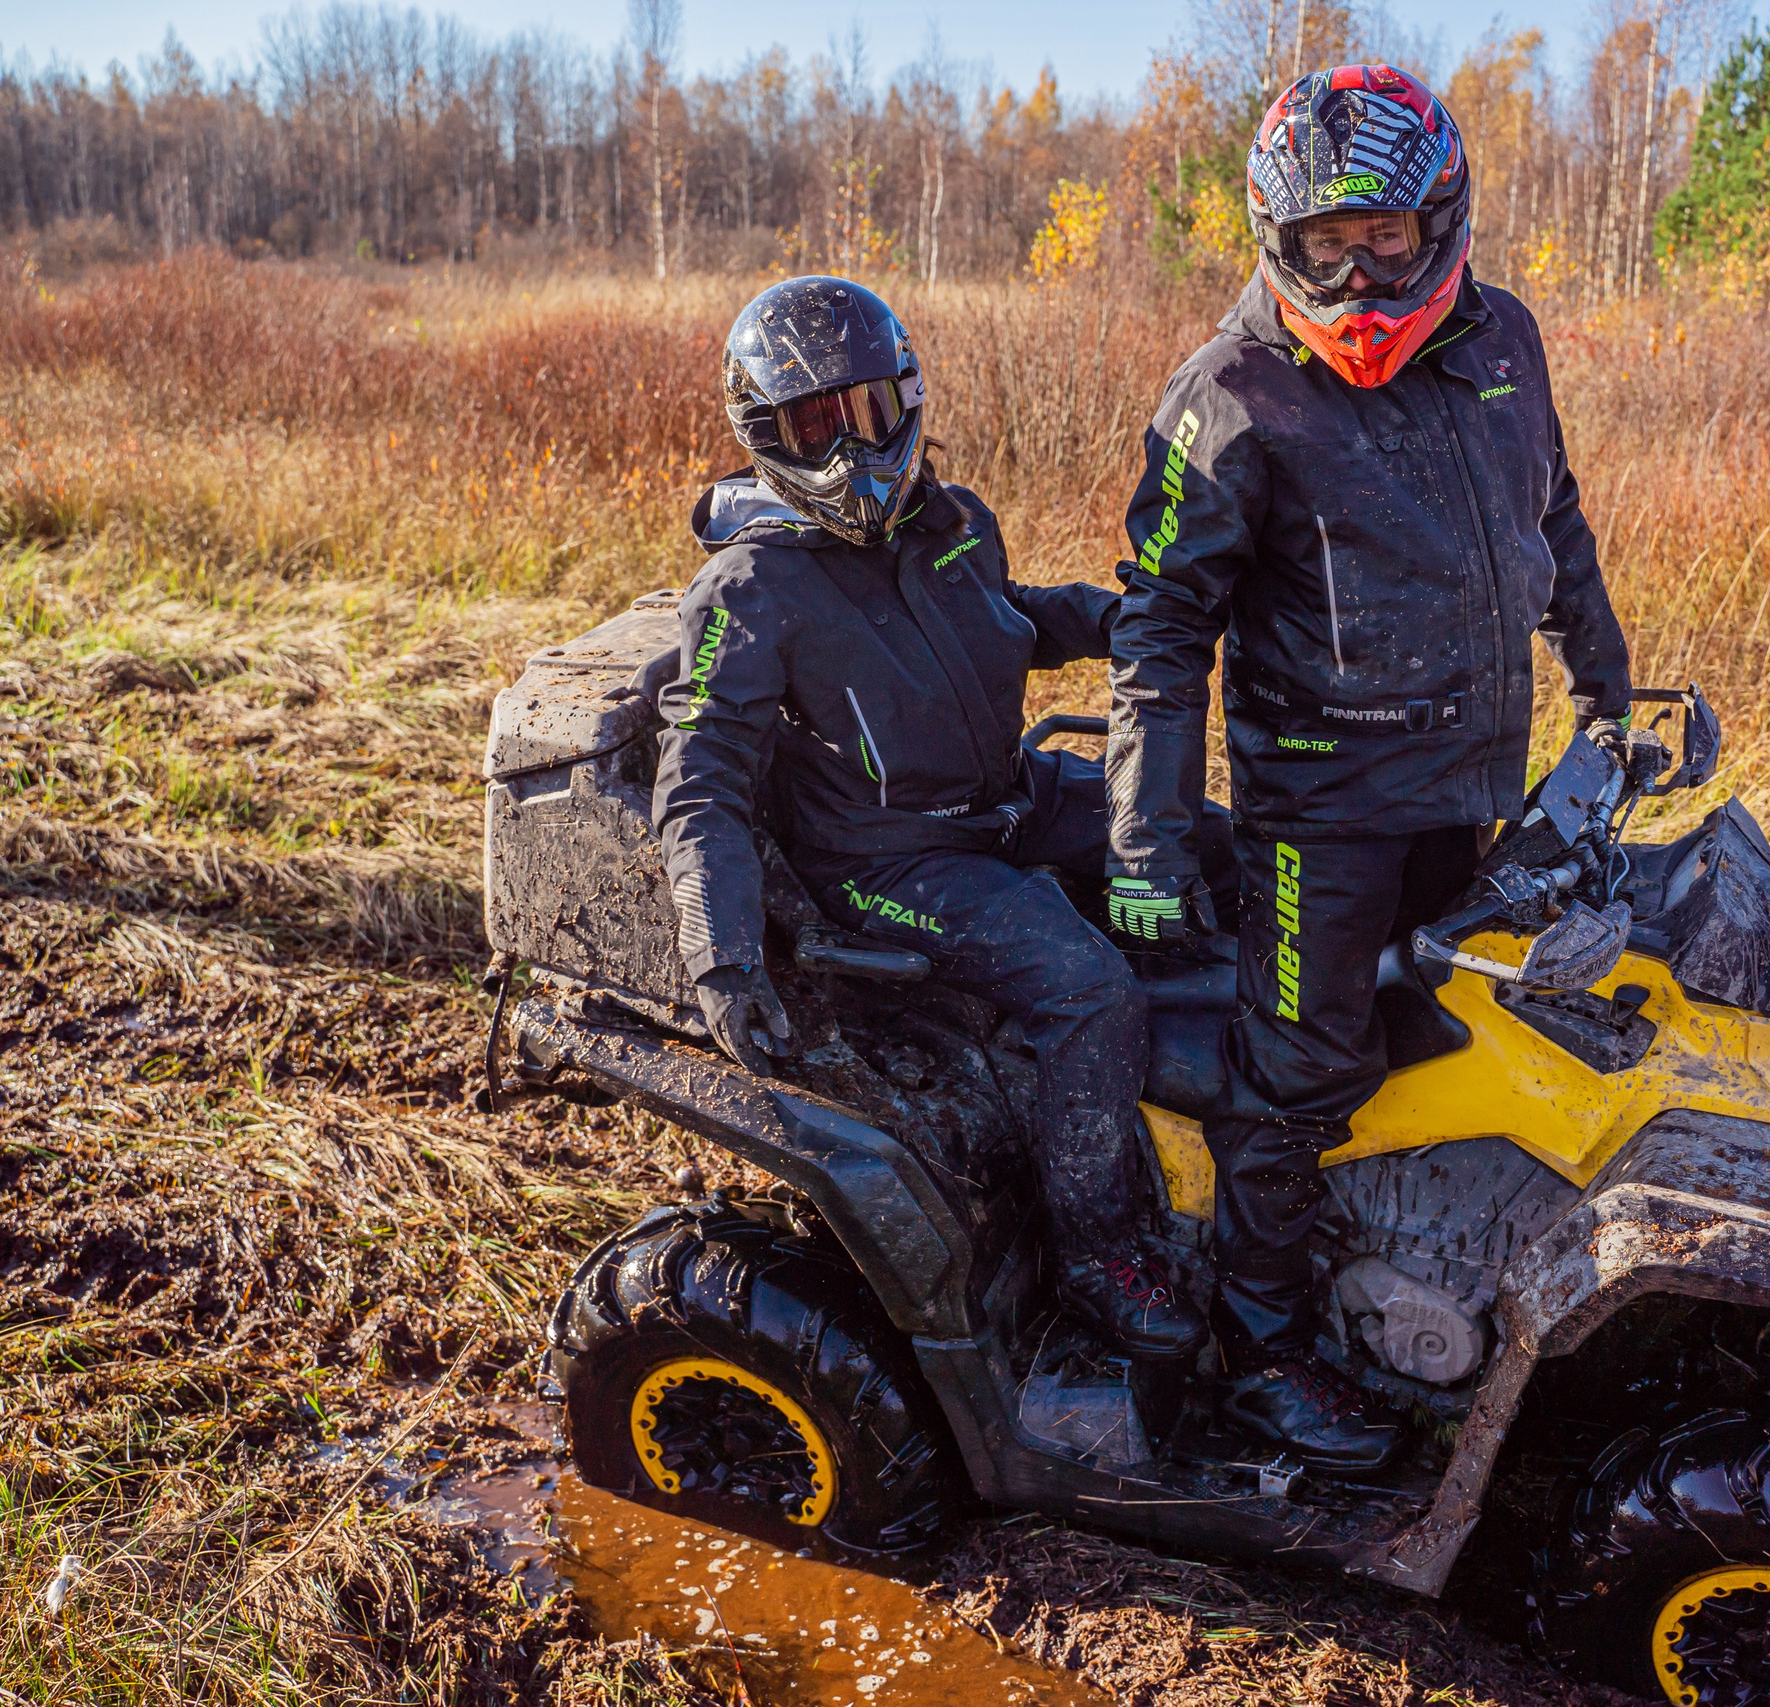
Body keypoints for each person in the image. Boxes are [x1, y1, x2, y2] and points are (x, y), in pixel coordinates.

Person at [1104, 66, 1639, 1469]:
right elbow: (1158, 629)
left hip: (1476, 780)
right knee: (1302, 1071)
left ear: (1439, 218)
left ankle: (1419, 1282)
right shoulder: (1230, 392)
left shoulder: (1504, 341)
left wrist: (1610, 680)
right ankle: (1260, 1344)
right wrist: (1149, 837)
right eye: (1323, 241)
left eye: (1383, 236)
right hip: (1318, 812)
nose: (1354, 269)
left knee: (1456, 1040)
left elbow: (1555, 519)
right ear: (1277, 238)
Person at [653, 275, 1218, 1363]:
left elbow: (1011, 622)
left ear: (905, 399)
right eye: (808, 428)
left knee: (1209, 837)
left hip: (1005, 799)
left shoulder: (953, 521)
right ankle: (1101, 1255)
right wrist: (718, 951)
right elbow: (703, 774)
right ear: (760, 437)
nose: (843, 453)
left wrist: (1123, 616)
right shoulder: (748, 589)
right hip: (885, 858)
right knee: (1083, 986)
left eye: (861, 415)